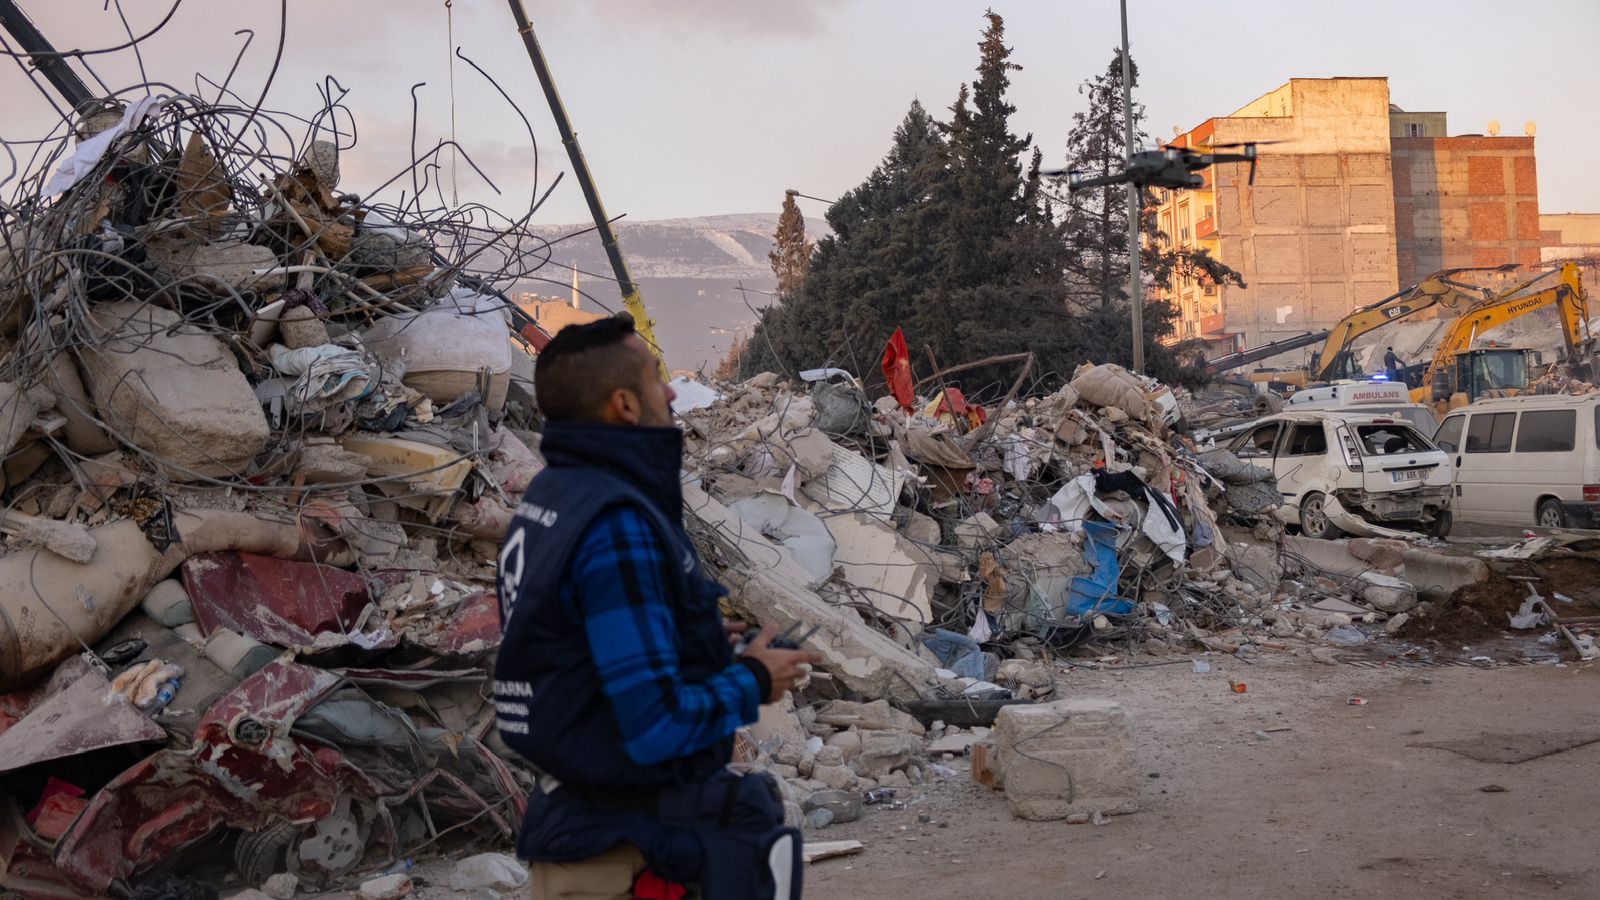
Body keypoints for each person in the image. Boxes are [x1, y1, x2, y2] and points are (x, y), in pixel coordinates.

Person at [495, 315, 820, 900]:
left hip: (582, 825)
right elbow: (653, 728)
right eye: (653, 378)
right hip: (622, 854)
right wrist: (752, 679)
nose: (670, 392)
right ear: (624, 404)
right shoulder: (617, 522)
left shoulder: (553, 496)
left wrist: (698, 647)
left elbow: (572, 653)